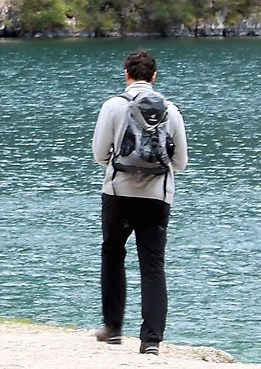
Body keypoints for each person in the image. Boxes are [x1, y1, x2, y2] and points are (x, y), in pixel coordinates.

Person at [91, 49, 188, 354]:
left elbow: (98, 153)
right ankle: (151, 342)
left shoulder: (112, 106)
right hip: (157, 197)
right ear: (154, 77)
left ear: (127, 75)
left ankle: (114, 328)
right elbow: (181, 162)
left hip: (118, 193)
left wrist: (119, 166)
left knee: (112, 254)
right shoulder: (171, 110)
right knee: (152, 267)